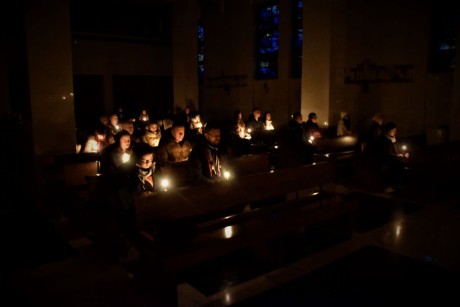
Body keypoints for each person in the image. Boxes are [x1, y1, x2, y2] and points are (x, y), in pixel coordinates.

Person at [373, 121, 410, 193]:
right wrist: (397, 156)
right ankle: (394, 184)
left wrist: (404, 153)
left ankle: (402, 183)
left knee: (404, 161)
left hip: (394, 157)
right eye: (393, 131)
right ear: (387, 131)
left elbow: (399, 148)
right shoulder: (382, 140)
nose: (395, 132)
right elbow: (383, 153)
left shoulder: (393, 138)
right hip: (384, 159)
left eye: (395, 130)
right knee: (398, 163)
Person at [188, 121, 226, 185]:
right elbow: (197, 178)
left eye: (219, 135)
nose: (218, 138)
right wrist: (215, 183)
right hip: (206, 189)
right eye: (214, 135)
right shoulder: (198, 152)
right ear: (206, 135)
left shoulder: (218, 149)